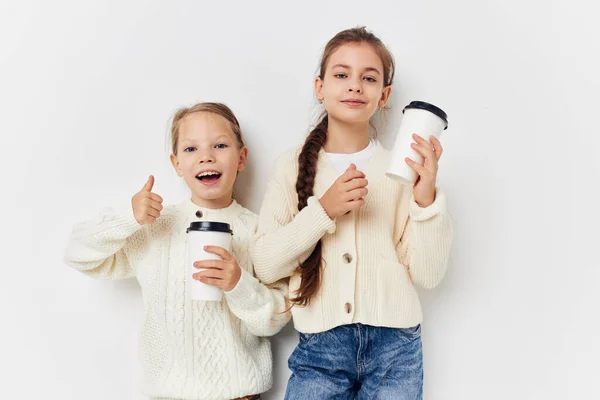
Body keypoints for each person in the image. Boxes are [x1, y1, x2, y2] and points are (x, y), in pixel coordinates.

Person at [250, 27, 453, 400]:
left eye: (369, 78)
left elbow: (429, 274)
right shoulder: (290, 166)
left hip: (397, 348)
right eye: (341, 74)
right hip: (320, 346)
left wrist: (425, 198)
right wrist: (322, 212)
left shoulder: (402, 170)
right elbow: (264, 264)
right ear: (320, 87)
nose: (355, 86)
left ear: (385, 95)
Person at [64, 102, 290, 400]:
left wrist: (239, 284)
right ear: (176, 164)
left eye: (220, 145)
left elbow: (275, 319)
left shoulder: (258, 231)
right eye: (191, 149)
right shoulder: (156, 226)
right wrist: (127, 217)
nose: (206, 156)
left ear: (241, 157)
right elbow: (77, 253)